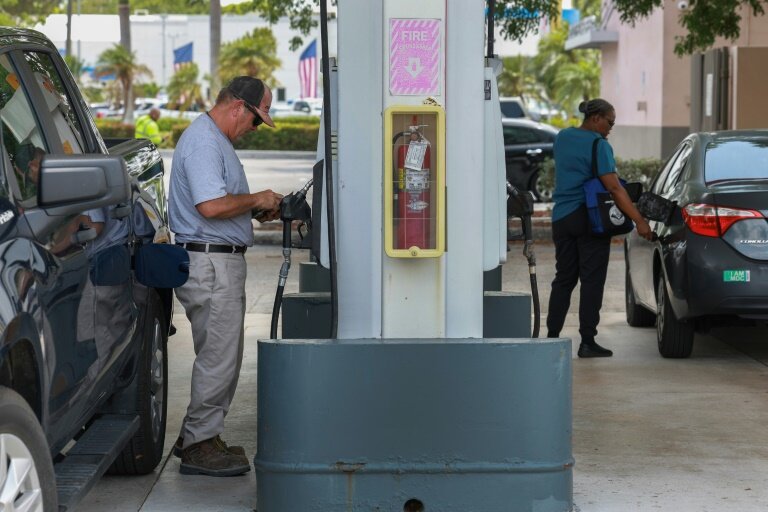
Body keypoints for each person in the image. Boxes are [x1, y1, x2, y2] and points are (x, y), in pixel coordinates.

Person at [168, 76, 282, 476]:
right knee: (218, 359)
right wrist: (257, 199)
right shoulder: (204, 141)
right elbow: (211, 207)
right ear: (238, 107)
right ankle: (200, 446)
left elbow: (219, 204)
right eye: (254, 121)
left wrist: (254, 208)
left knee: (223, 357)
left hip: (217, 260)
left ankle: (200, 434)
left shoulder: (214, 140)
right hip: (211, 263)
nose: (253, 130)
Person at [546, 98, 653, 358]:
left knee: (564, 279)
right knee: (592, 281)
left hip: (562, 217)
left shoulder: (562, 137)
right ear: (595, 118)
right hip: (590, 218)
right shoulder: (599, 145)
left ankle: (550, 339)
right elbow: (614, 187)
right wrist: (639, 221)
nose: (610, 128)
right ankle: (587, 342)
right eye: (609, 122)